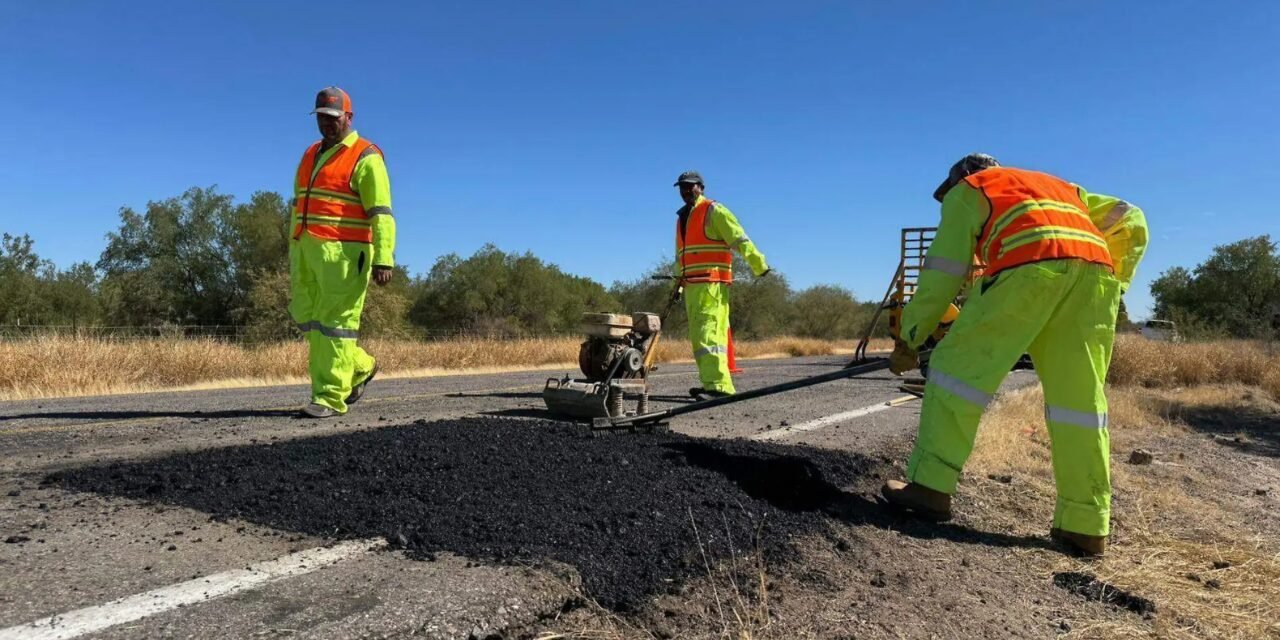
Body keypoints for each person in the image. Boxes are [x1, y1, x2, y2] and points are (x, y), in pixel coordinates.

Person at [881, 153, 1148, 556]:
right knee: (1079, 406)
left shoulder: (970, 190)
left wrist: (911, 339)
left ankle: (930, 488)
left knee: (956, 373)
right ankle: (1086, 525)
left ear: (961, 177)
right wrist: (1116, 278)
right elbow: (1133, 218)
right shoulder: (1063, 188)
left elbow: (942, 271)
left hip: (1027, 271)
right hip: (1094, 282)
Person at [289, 87, 396, 418]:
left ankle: (329, 396)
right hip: (306, 250)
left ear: (349, 117)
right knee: (308, 318)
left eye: (333, 118)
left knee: (335, 325)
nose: (327, 123)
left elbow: (381, 212)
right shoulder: (310, 153)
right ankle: (360, 366)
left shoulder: (366, 156)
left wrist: (383, 257)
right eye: (321, 117)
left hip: (345, 255)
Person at [672, 171, 771, 401]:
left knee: (711, 336)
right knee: (701, 339)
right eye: (682, 187)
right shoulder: (682, 218)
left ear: (701, 187)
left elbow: (738, 238)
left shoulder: (713, 210)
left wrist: (759, 264)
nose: (686, 191)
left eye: (690, 186)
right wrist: (678, 285)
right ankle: (711, 383)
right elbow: (681, 256)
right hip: (692, 286)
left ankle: (719, 387)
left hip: (711, 284)